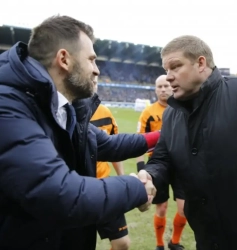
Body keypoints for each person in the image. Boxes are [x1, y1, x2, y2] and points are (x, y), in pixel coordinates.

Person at [0, 15, 158, 250]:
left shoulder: (61, 108)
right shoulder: (8, 106)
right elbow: (59, 193)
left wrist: (164, 136)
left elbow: (109, 145)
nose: (97, 70)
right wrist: (135, 187)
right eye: (92, 60)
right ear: (64, 59)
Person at [139, 35, 237, 250]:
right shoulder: (172, 114)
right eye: (166, 70)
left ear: (201, 63)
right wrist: (150, 174)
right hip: (208, 236)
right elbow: (163, 158)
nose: (168, 77)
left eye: (175, 67)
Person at [136, 75, 187, 250]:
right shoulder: (148, 113)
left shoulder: (182, 109)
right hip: (158, 165)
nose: (163, 89)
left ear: (172, 86)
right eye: (159, 86)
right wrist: (141, 168)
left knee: (184, 208)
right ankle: (159, 245)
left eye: (166, 85)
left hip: (182, 164)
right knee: (162, 207)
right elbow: (139, 141)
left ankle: (175, 241)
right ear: (155, 89)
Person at [90, 103, 130, 250]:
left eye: (95, 81)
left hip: (104, 185)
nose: (93, 83)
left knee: (122, 243)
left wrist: (122, 178)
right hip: (77, 187)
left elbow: (114, 147)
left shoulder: (105, 113)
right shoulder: (64, 111)